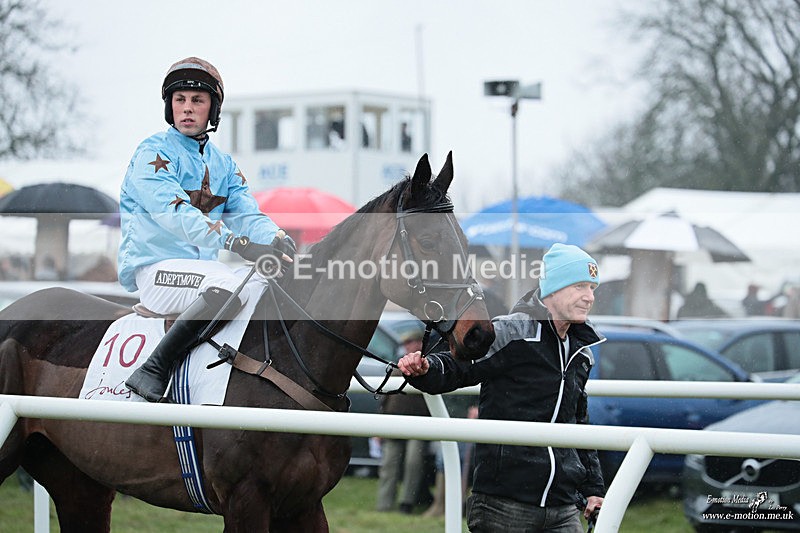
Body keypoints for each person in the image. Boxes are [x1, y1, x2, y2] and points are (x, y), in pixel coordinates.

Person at [118, 57, 295, 402]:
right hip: (156, 272)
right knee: (228, 285)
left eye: (197, 101)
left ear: (212, 110)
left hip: (202, 271)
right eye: (179, 100)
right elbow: (175, 215)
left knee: (267, 282)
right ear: (170, 107)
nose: (187, 108)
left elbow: (246, 213)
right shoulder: (151, 153)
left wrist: (276, 238)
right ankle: (153, 368)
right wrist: (238, 245)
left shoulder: (223, 163)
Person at [398, 243, 605, 532]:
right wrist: (426, 369)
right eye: (581, 286)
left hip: (563, 507)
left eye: (593, 288)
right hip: (504, 504)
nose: (589, 297)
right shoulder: (511, 332)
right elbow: (459, 367)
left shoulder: (582, 353)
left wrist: (593, 488)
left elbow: (578, 422)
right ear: (553, 290)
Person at [376, 333, 433, 514]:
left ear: (419, 343)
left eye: (410, 342)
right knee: (388, 464)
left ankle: (407, 503)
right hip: (393, 424)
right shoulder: (395, 368)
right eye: (405, 343)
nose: (407, 346)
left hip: (418, 425)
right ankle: (384, 504)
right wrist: (379, 426)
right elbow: (385, 400)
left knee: (413, 463)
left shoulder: (428, 366)